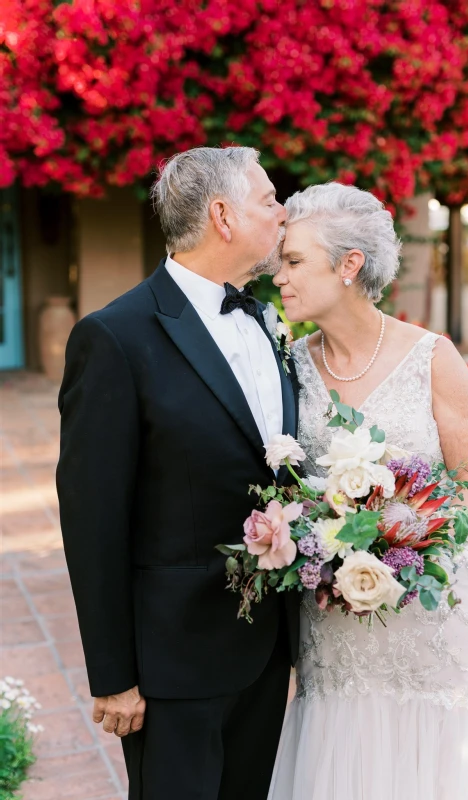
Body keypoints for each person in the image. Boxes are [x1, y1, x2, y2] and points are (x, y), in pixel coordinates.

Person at [268, 182, 468, 799]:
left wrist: (403, 547)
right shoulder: (289, 365)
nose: (279, 275)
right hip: (335, 613)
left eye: (294, 260)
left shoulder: (431, 358)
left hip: (430, 607)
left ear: (349, 265)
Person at [56, 146, 300, 800]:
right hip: (175, 663)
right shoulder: (114, 337)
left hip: (268, 651)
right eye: (269, 200)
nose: (283, 214)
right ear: (222, 215)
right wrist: (113, 674)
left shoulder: (268, 321)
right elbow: (92, 517)